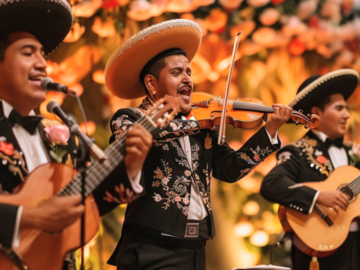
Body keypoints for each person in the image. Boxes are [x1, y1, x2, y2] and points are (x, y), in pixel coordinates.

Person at [104, 19, 293, 270]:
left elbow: (229, 169)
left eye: (189, 73)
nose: (188, 80)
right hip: (150, 249)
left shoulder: (200, 123)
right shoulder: (129, 119)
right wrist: (198, 124)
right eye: (176, 73)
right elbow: (143, 136)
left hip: (195, 248)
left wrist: (269, 132)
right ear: (151, 84)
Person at [0, 0, 152, 268]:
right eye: (28, 53)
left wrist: (129, 169)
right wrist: (30, 217)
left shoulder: (54, 132)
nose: (42, 64)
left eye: (42, 54)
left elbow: (83, 204)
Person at [260, 69, 360, 270]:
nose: (347, 115)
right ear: (316, 113)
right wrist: (318, 197)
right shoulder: (298, 152)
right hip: (319, 252)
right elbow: (271, 184)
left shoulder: (354, 153)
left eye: (346, 108)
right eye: (339, 108)